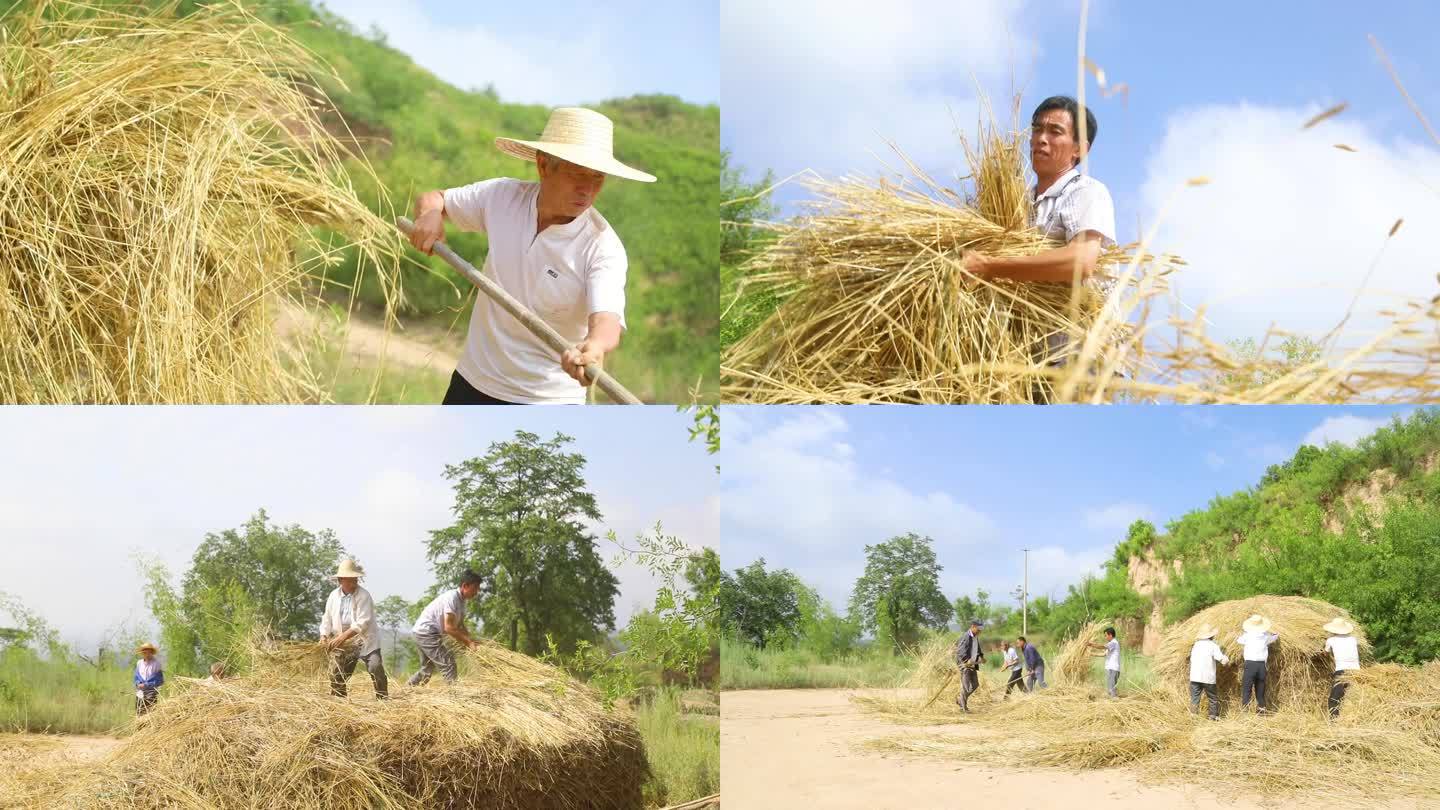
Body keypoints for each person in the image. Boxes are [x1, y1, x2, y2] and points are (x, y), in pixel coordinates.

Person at [407, 107, 656, 405]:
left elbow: (607, 320)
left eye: (597, 178)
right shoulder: (502, 197)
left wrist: (595, 347)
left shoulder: (602, 246)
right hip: (473, 383)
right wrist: (431, 214)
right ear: (543, 165)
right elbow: (435, 199)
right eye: (578, 173)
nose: (588, 189)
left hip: (547, 400)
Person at [962, 95, 1119, 402]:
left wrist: (991, 267)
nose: (1041, 139)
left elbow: (1080, 262)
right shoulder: (1017, 206)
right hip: (1026, 358)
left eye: (1055, 131)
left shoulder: (1086, 192)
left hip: (1078, 353)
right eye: (1036, 130)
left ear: (1079, 150)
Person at [320, 558, 387, 699]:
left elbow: (362, 623)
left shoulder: (364, 595)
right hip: (344, 644)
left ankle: (383, 700)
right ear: (341, 580)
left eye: (355, 579)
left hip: (365, 640)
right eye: (350, 580)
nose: (354, 582)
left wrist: (342, 637)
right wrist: (324, 636)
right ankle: (339, 702)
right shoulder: (333, 596)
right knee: (337, 674)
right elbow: (327, 618)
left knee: (375, 667)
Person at [407, 570, 484, 686]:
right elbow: (449, 628)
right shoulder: (452, 598)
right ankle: (454, 697)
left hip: (423, 632)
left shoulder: (462, 602)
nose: (477, 592)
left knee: (426, 670)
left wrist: (471, 641)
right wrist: (468, 642)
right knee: (448, 664)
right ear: (465, 586)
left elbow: (460, 626)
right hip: (426, 632)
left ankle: (406, 690)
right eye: (475, 588)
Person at [1237, 613, 1279, 714]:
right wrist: (1276, 634)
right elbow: (1275, 637)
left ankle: (1245, 710)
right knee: (1260, 688)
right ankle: (1261, 709)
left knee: (1247, 687)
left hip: (1250, 664)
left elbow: (1239, 640)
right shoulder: (1265, 636)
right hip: (1261, 666)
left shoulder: (1247, 636)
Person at [1188, 624, 1229, 720]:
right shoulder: (1213, 645)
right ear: (1211, 635)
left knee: (1195, 698)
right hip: (1208, 677)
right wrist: (1226, 659)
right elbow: (1221, 659)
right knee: (1212, 698)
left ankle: (1193, 716)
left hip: (1195, 676)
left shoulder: (1195, 645)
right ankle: (1213, 717)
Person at [1323, 617, 1362, 718]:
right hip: (1357, 671)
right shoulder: (1354, 639)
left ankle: (1334, 721)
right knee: (1353, 697)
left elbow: (1325, 653)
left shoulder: (1331, 640)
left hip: (1342, 671)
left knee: (1334, 698)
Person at [954, 620, 985, 713]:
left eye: (981, 629)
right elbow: (960, 651)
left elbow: (978, 649)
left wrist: (982, 657)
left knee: (975, 685)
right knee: (966, 687)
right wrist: (966, 660)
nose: (980, 631)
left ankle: (960, 699)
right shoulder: (966, 636)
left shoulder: (975, 637)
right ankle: (963, 708)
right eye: (979, 629)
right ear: (973, 626)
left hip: (972, 664)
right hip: (964, 665)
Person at [1086, 627, 1121, 698]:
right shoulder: (1110, 645)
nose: (1105, 637)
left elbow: (1102, 646)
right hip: (1110, 668)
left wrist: (1091, 644)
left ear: (1110, 635)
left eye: (1106, 635)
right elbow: (1104, 654)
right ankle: (1113, 700)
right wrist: (1092, 654)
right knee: (1110, 688)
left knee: (1111, 689)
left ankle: (1114, 702)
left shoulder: (1114, 643)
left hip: (1113, 668)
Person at [133, 642, 163, 715]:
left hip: (151, 692)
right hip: (140, 692)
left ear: (151, 652)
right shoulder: (139, 663)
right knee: (140, 712)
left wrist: (146, 685)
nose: (146, 653)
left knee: (150, 713)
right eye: (144, 651)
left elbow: (159, 679)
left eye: (148, 651)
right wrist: (138, 683)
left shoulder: (156, 664)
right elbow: (136, 676)